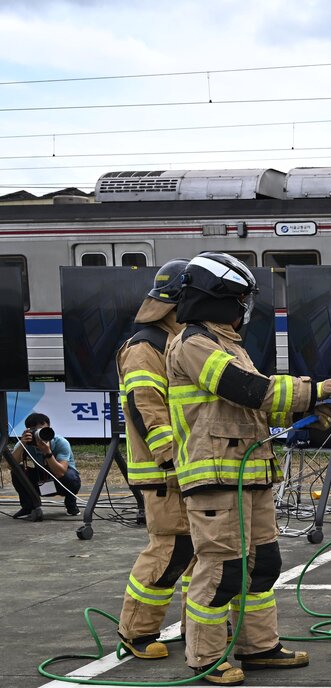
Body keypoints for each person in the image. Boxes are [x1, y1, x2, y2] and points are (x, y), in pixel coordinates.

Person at [165, 252, 331, 686]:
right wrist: (312, 390)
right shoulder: (193, 343)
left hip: (249, 474)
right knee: (222, 569)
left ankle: (259, 646)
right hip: (216, 478)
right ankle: (205, 657)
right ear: (219, 298)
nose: (244, 309)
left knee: (263, 564)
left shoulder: (225, 343)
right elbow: (247, 389)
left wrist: (307, 412)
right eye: (240, 299)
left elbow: (249, 411)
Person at [115, 259, 193, 661]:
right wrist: (171, 459)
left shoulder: (177, 341)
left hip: (189, 470)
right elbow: (144, 405)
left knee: (200, 551)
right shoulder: (146, 347)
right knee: (172, 549)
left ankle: (201, 628)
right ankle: (136, 632)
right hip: (167, 474)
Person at [9, 413, 82, 521]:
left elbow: (60, 472)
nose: (39, 433)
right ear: (28, 431)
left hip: (63, 481)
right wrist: (22, 444)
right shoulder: (26, 442)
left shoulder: (60, 442)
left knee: (70, 476)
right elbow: (11, 466)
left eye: (42, 429)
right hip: (41, 477)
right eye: (34, 429)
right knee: (17, 471)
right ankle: (28, 507)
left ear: (49, 429)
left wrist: (47, 452)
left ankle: (71, 503)